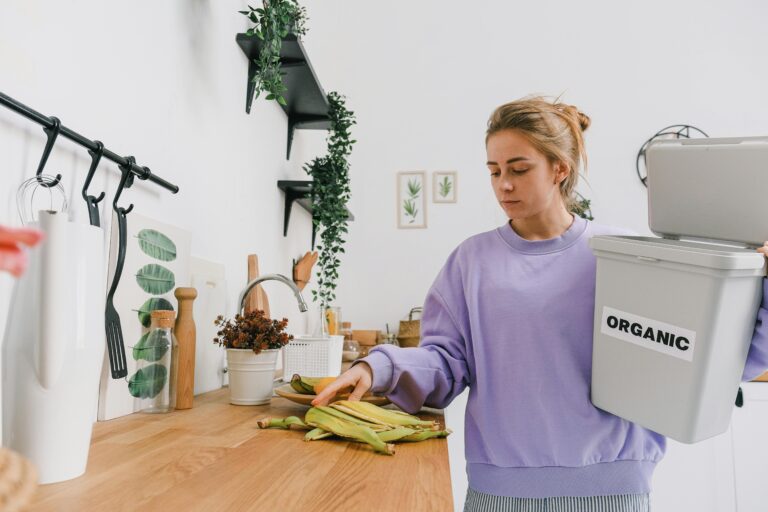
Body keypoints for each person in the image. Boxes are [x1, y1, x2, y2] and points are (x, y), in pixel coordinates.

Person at [311, 96, 768, 511]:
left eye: (518, 168)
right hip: (500, 493)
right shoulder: (471, 261)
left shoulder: (623, 254)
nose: (503, 185)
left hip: (613, 490)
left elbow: (707, 357)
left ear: (559, 169)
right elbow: (446, 363)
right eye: (494, 171)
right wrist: (378, 368)